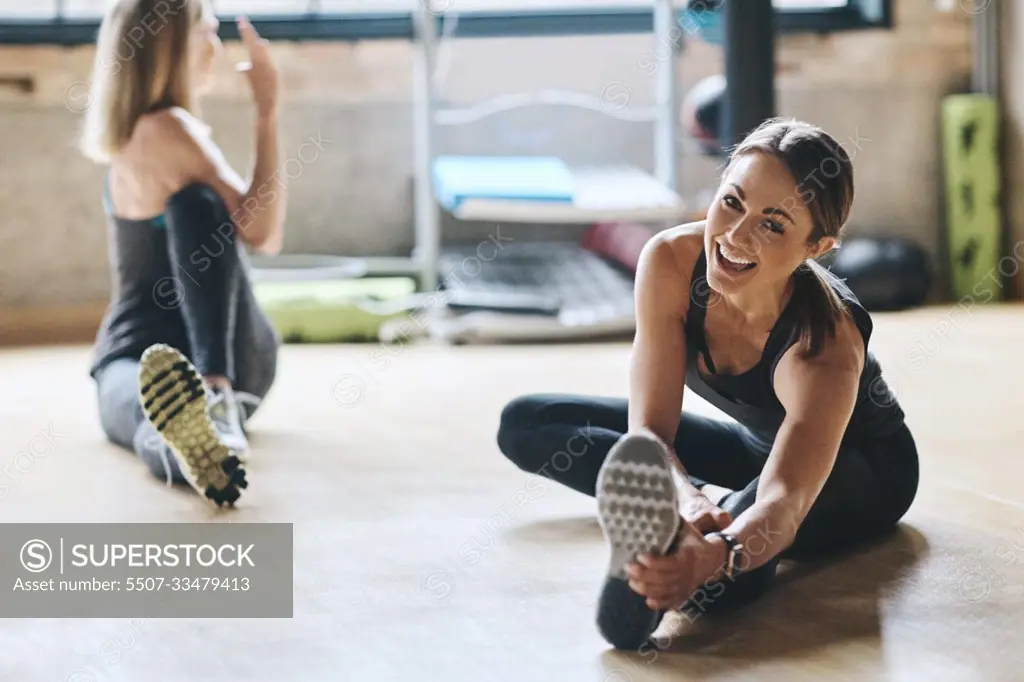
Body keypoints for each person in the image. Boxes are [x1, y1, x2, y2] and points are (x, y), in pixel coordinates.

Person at [496, 118, 919, 649]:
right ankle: (699, 520)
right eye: (733, 202)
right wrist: (685, 498)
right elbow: (649, 431)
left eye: (773, 224)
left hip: (861, 474)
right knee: (528, 424)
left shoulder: (823, 347)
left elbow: (784, 501)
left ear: (817, 246)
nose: (735, 236)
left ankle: (687, 553)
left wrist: (715, 554)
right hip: (756, 449)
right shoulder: (672, 263)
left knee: (715, 578)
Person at [80, 0, 286, 506]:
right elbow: (265, 234)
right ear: (171, 46)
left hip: (144, 354)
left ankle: (204, 404)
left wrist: (267, 109)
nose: (215, 48)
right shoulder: (167, 128)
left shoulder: (145, 133)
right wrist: (267, 110)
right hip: (243, 368)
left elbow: (260, 233)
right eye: (207, 33)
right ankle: (202, 444)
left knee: (136, 408)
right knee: (160, 416)